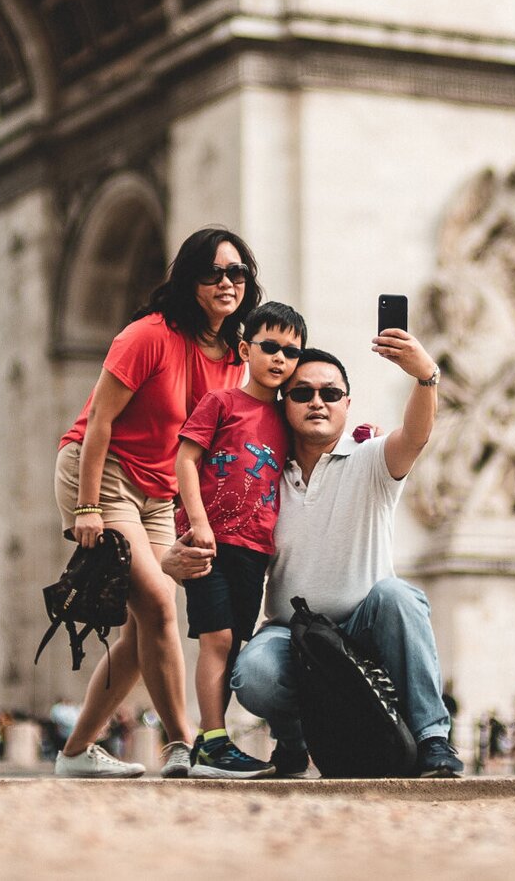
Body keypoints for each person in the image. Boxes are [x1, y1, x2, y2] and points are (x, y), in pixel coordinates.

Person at [52, 229, 262, 779]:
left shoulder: (233, 354)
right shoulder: (147, 335)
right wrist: (87, 507)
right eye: (213, 273)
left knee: (141, 626)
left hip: (158, 492)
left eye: (236, 272)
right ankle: (189, 747)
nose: (226, 283)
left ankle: (74, 754)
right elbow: (99, 421)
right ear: (189, 279)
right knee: (162, 608)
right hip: (102, 475)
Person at [224, 333, 466, 778]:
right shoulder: (261, 475)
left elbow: (415, 435)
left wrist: (426, 376)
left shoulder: (372, 458)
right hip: (291, 634)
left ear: (346, 404)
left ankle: (433, 739)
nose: (317, 402)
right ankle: (292, 742)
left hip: (367, 625)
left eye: (330, 393)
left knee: (399, 597)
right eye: (302, 393)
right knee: (254, 673)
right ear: (284, 405)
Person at [174, 302, 307, 779]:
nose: (279, 358)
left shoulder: (288, 421)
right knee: (218, 638)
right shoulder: (220, 402)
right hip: (209, 543)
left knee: (233, 646)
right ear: (246, 349)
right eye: (269, 347)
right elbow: (185, 461)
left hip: (255, 551)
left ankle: (213, 744)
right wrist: (198, 522)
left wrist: (363, 434)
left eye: (291, 352)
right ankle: (211, 741)